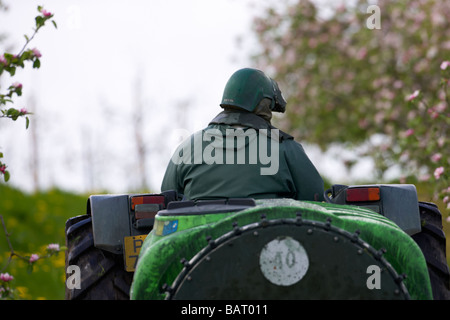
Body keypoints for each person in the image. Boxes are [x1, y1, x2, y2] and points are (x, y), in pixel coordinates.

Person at [161, 68, 324, 201]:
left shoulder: (187, 148)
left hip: (197, 239)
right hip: (269, 238)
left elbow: (166, 199)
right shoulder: (286, 148)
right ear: (265, 106)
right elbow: (314, 199)